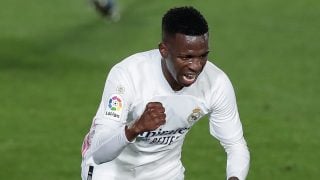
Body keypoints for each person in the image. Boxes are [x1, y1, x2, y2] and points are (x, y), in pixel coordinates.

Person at [81, 6, 250, 180]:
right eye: (186, 57)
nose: (197, 66)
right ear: (164, 50)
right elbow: (98, 152)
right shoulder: (128, 75)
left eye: (202, 56)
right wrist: (135, 127)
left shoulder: (216, 83)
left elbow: (235, 144)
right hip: (111, 172)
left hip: (165, 173)